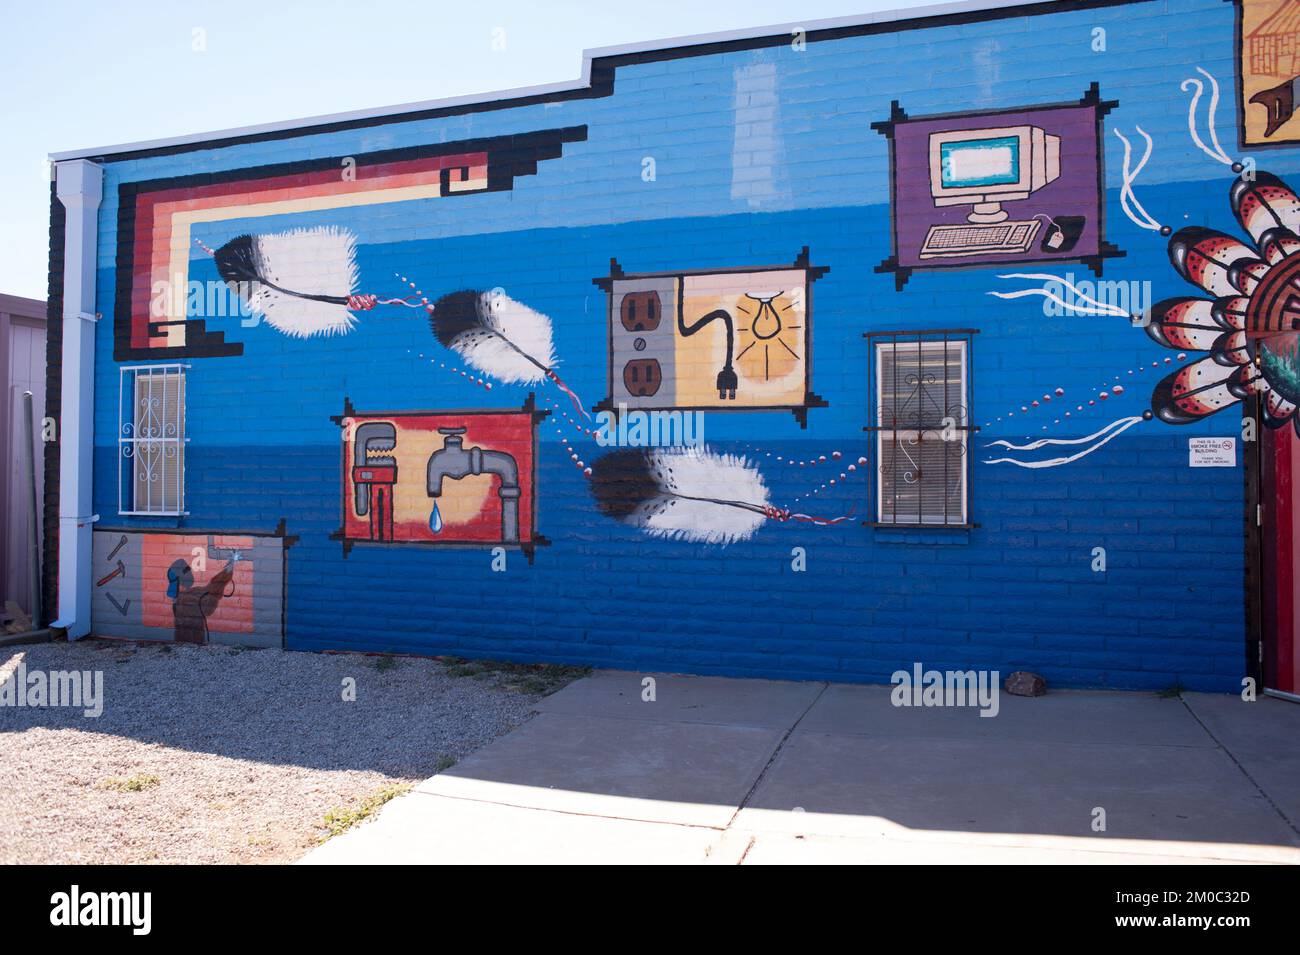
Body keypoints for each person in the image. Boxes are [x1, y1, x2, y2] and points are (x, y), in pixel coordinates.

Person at [165, 552, 240, 644]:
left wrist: (226, 573)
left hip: (189, 643)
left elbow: (210, 590)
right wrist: (226, 573)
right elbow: (210, 597)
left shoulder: (190, 595)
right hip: (191, 642)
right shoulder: (189, 597)